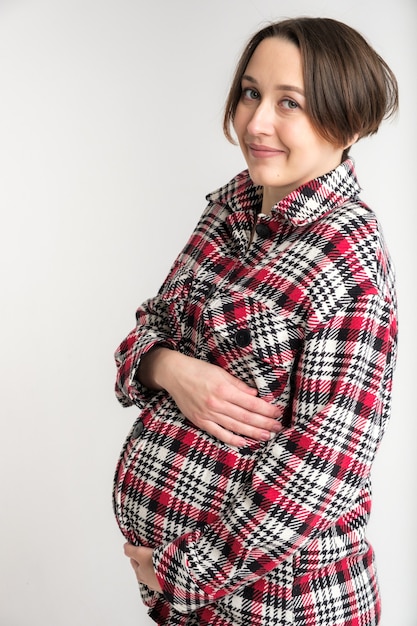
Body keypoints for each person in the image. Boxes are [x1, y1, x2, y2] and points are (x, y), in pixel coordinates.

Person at [113, 16, 398, 626]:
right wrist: (169, 366)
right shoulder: (230, 210)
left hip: (281, 603)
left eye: (288, 103)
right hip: (201, 601)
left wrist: (182, 574)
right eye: (250, 93)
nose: (256, 122)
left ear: (347, 120)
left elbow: (325, 467)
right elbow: (146, 329)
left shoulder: (346, 255)